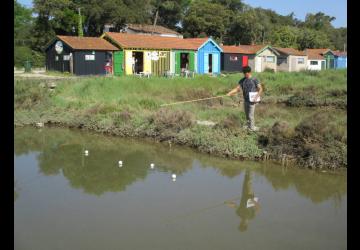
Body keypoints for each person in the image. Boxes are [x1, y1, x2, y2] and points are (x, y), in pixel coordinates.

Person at [226, 66, 263, 131]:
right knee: (247, 115)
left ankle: (252, 128)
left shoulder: (255, 79)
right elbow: (237, 89)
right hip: (246, 100)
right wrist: (229, 93)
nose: (245, 75)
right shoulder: (242, 80)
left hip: (252, 100)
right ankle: (249, 126)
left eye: (246, 73)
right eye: (244, 73)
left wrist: (256, 97)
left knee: (250, 115)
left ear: (250, 72)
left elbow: (260, 89)